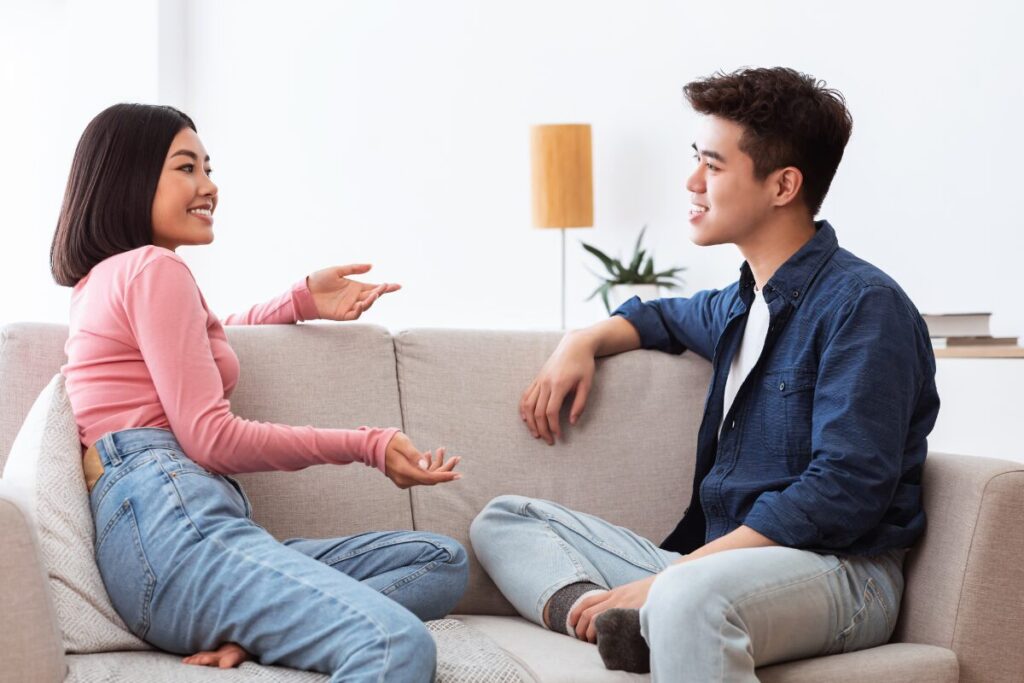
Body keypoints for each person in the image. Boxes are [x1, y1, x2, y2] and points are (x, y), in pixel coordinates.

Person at [470, 67, 939, 681]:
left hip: (842, 574)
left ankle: (664, 611)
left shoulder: (864, 306)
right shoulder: (740, 304)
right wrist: (580, 340)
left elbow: (845, 492)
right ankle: (623, 622)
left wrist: (676, 576)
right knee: (506, 519)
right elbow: (660, 317)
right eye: (698, 160)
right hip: (717, 566)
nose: (692, 182)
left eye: (713, 166)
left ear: (782, 185)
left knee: (685, 594)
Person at [52, 103, 468, 683]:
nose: (209, 186)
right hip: (173, 523)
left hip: (161, 536)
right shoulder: (154, 270)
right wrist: (368, 444)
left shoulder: (107, 278)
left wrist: (297, 301)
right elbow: (211, 438)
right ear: (131, 177)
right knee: (395, 646)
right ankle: (272, 620)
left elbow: (198, 341)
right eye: (186, 168)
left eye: (208, 168)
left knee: (439, 562)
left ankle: (261, 626)